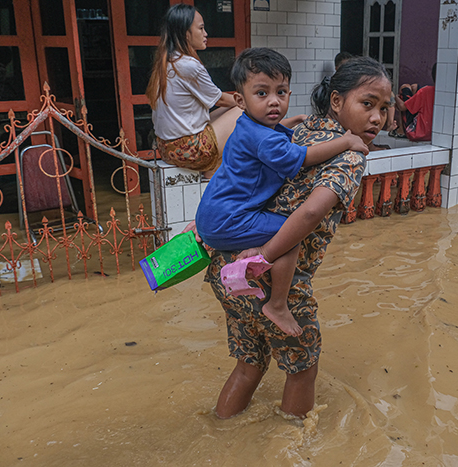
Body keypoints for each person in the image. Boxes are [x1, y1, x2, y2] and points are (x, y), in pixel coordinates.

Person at [187, 56, 392, 419]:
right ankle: (293, 449)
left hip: (225, 267)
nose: (377, 118)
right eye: (368, 104)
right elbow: (310, 213)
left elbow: (242, 176)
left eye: (385, 108)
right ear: (337, 101)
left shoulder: (299, 129)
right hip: (268, 274)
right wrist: (263, 256)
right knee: (302, 367)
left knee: (251, 363)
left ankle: (220, 429)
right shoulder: (349, 155)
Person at [195, 48, 369, 337]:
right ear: (240, 100)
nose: (274, 101)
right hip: (229, 221)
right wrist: (347, 142)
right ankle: (276, 304)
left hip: (211, 213)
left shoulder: (249, 125)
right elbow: (302, 158)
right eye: (262, 93)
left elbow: (269, 138)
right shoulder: (266, 138)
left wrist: (288, 123)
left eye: (282, 92)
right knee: (291, 233)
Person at [146, 4, 243, 178]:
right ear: (185, 33)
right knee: (241, 110)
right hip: (189, 149)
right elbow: (220, 99)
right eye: (201, 28)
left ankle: (214, 169)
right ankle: (216, 169)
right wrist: (250, 103)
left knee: (230, 110)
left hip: (166, 148)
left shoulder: (166, 62)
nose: (205, 34)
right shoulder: (188, 65)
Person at [392, 63, 437, 142]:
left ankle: (401, 131)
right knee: (414, 87)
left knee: (405, 88)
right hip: (434, 135)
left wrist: (395, 96)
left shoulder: (426, 91)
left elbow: (402, 107)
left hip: (417, 134)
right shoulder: (448, 95)